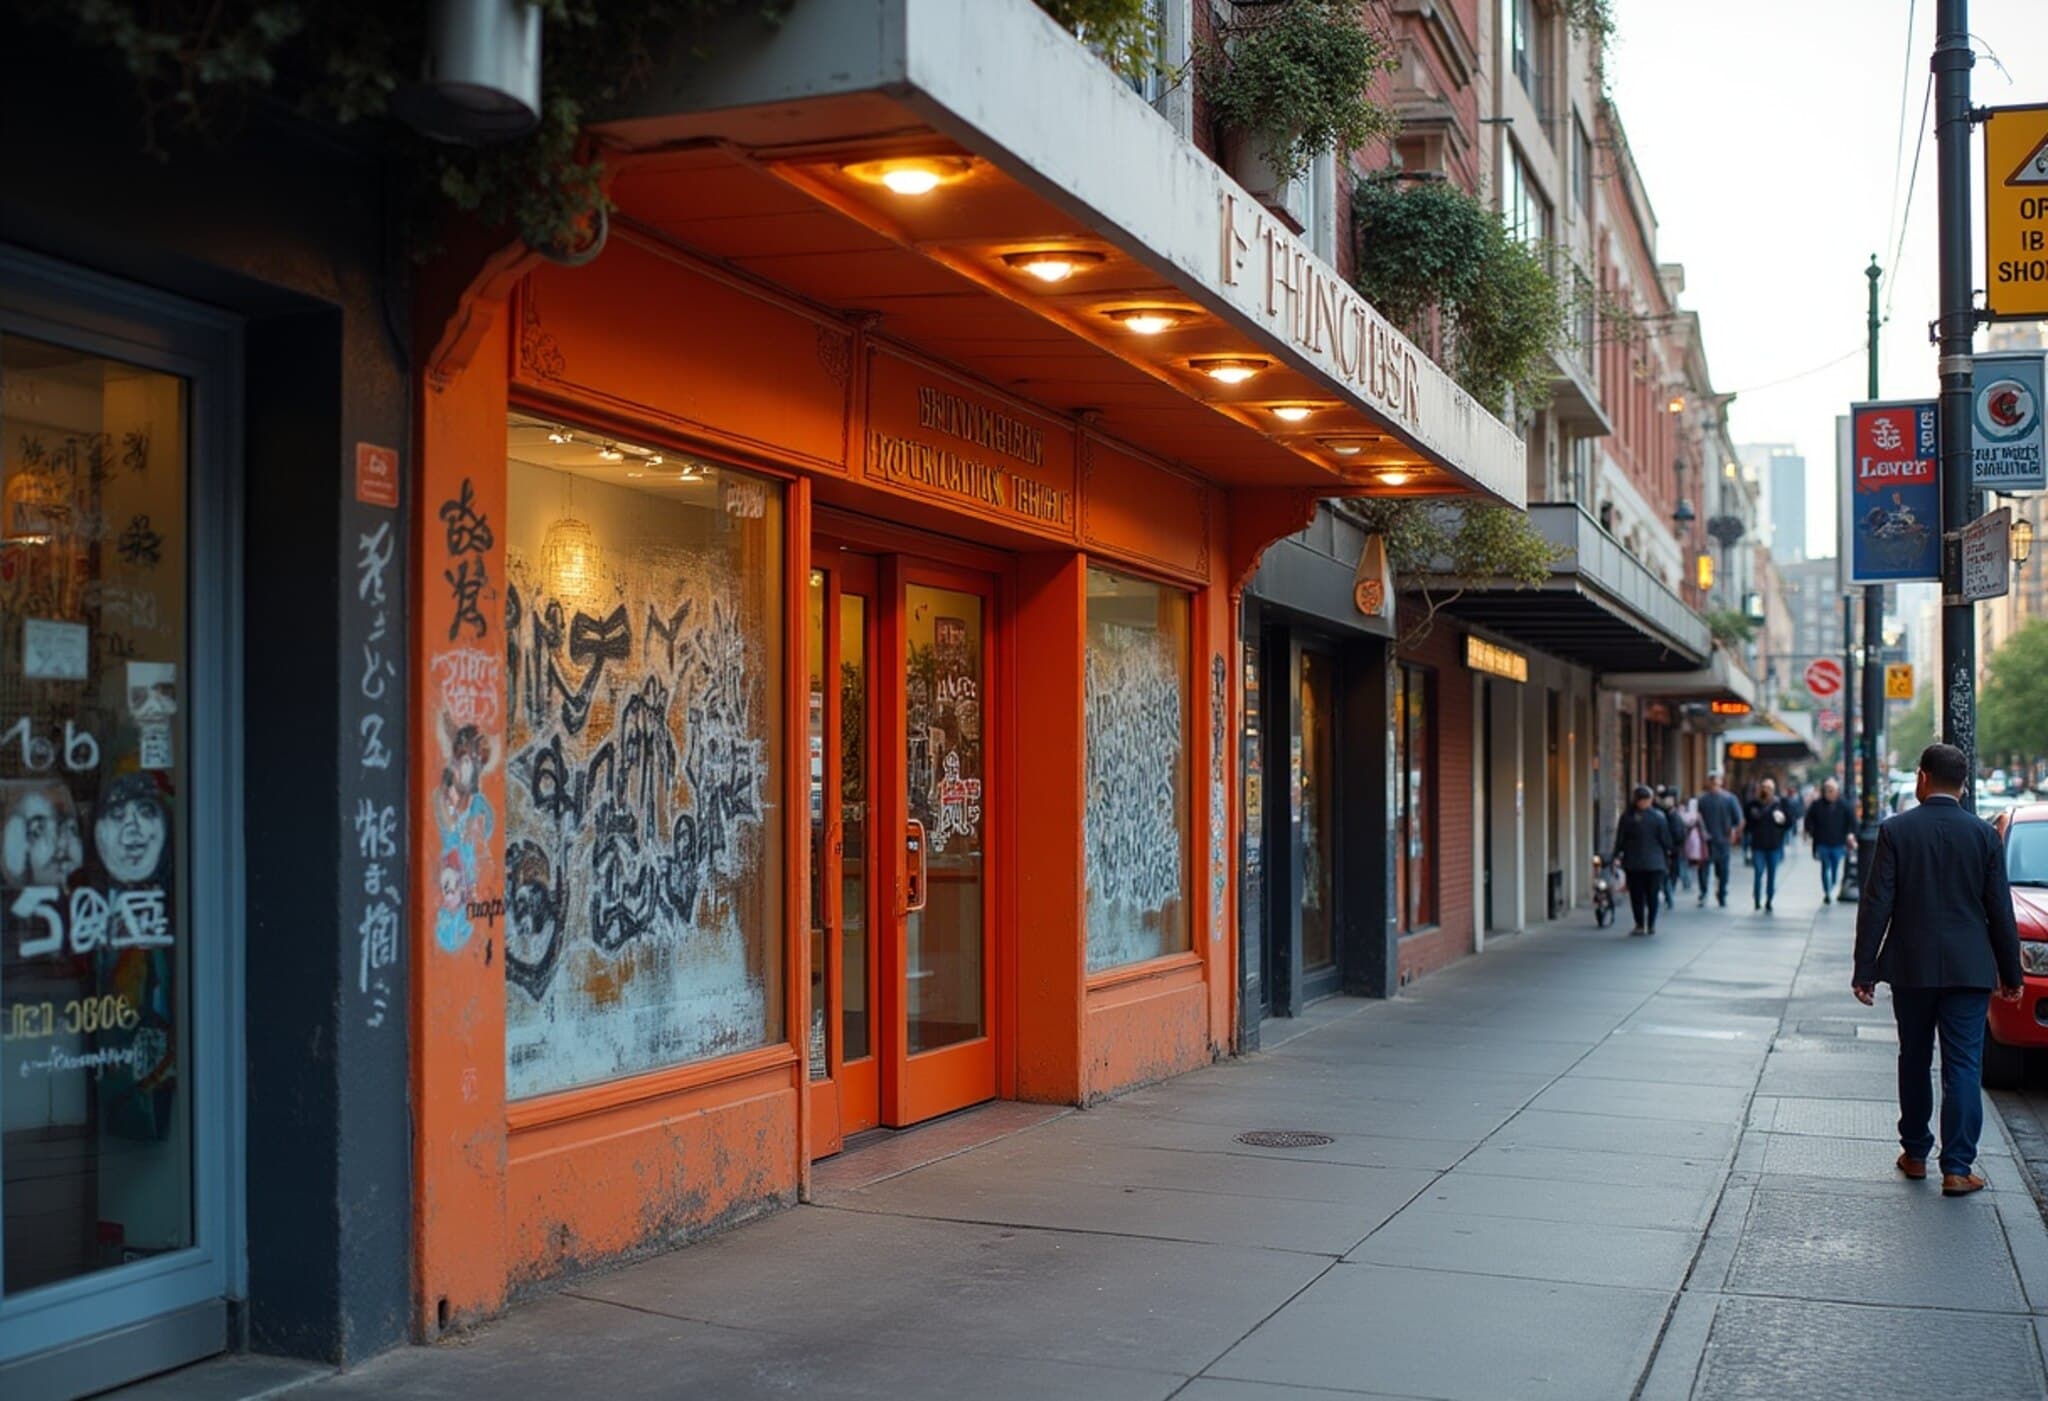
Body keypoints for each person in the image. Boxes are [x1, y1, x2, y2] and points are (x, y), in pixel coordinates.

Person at [1852, 743, 2024, 1196]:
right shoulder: (1984, 836)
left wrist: (1865, 969)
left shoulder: (1896, 830)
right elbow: (2000, 910)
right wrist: (2012, 974)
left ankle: (1914, 1153)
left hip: (1911, 966)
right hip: (1969, 968)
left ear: (1923, 777)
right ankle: (1957, 1167)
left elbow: (1877, 904)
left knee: (1913, 1057)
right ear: (1964, 784)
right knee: (1963, 1064)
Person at [1612, 783, 1676, 936]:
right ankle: (1650, 924)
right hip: (1654, 862)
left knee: (1637, 895)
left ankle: (1640, 924)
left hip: (1634, 862)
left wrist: (1616, 855)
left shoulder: (1627, 817)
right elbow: (1666, 840)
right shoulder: (1658, 816)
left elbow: (1620, 839)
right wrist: (1670, 853)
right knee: (1651, 894)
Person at [1803, 777, 1857, 904]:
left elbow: (1852, 822)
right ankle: (1827, 891)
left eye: (1831, 789)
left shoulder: (1844, 805)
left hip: (1838, 843)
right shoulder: (1817, 805)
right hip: (1822, 842)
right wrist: (1811, 832)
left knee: (1834, 867)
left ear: (1837, 791)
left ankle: (1831, 885)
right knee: (1825, 866)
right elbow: (1808, 820)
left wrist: (1850, 834)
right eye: (1826, 789)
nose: (1829, 792)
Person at [1695, 772, 1743, 907]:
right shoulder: (1702, 800)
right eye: (1712, 782)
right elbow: (1696, 818)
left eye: (1716, 782)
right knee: (1704, 869)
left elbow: (1738, 819)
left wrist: (1734, 833)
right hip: (1707, 841)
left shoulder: (1729, 799)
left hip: (1723, 840)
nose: (1714, 785)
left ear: (1721, 782)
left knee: (1722, 870)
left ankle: (1721, 894)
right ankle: (1704, 893)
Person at [1745, 777, 1792, 912]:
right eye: (1763, 787)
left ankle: (1769, 899)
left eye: (1769, 788)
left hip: (1774, 845)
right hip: (1758, 845)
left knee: (1772, 874)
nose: (1766, 790)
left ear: (1773, 790)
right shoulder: (1753, 805)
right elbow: (1747, 823)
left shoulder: (1780, 804)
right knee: (1758, 872)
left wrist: (1782, 821)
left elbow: (1789, 822)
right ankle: (1757, 899)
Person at [1657, 787, 1688, 910]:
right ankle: (1668, 896)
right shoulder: (1663, 813)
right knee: (1667, 874)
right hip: (1667, 849)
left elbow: (1680, 833)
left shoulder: (1673, 814)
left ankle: (1669, 895)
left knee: (1671, 873)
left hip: (1673, 849)